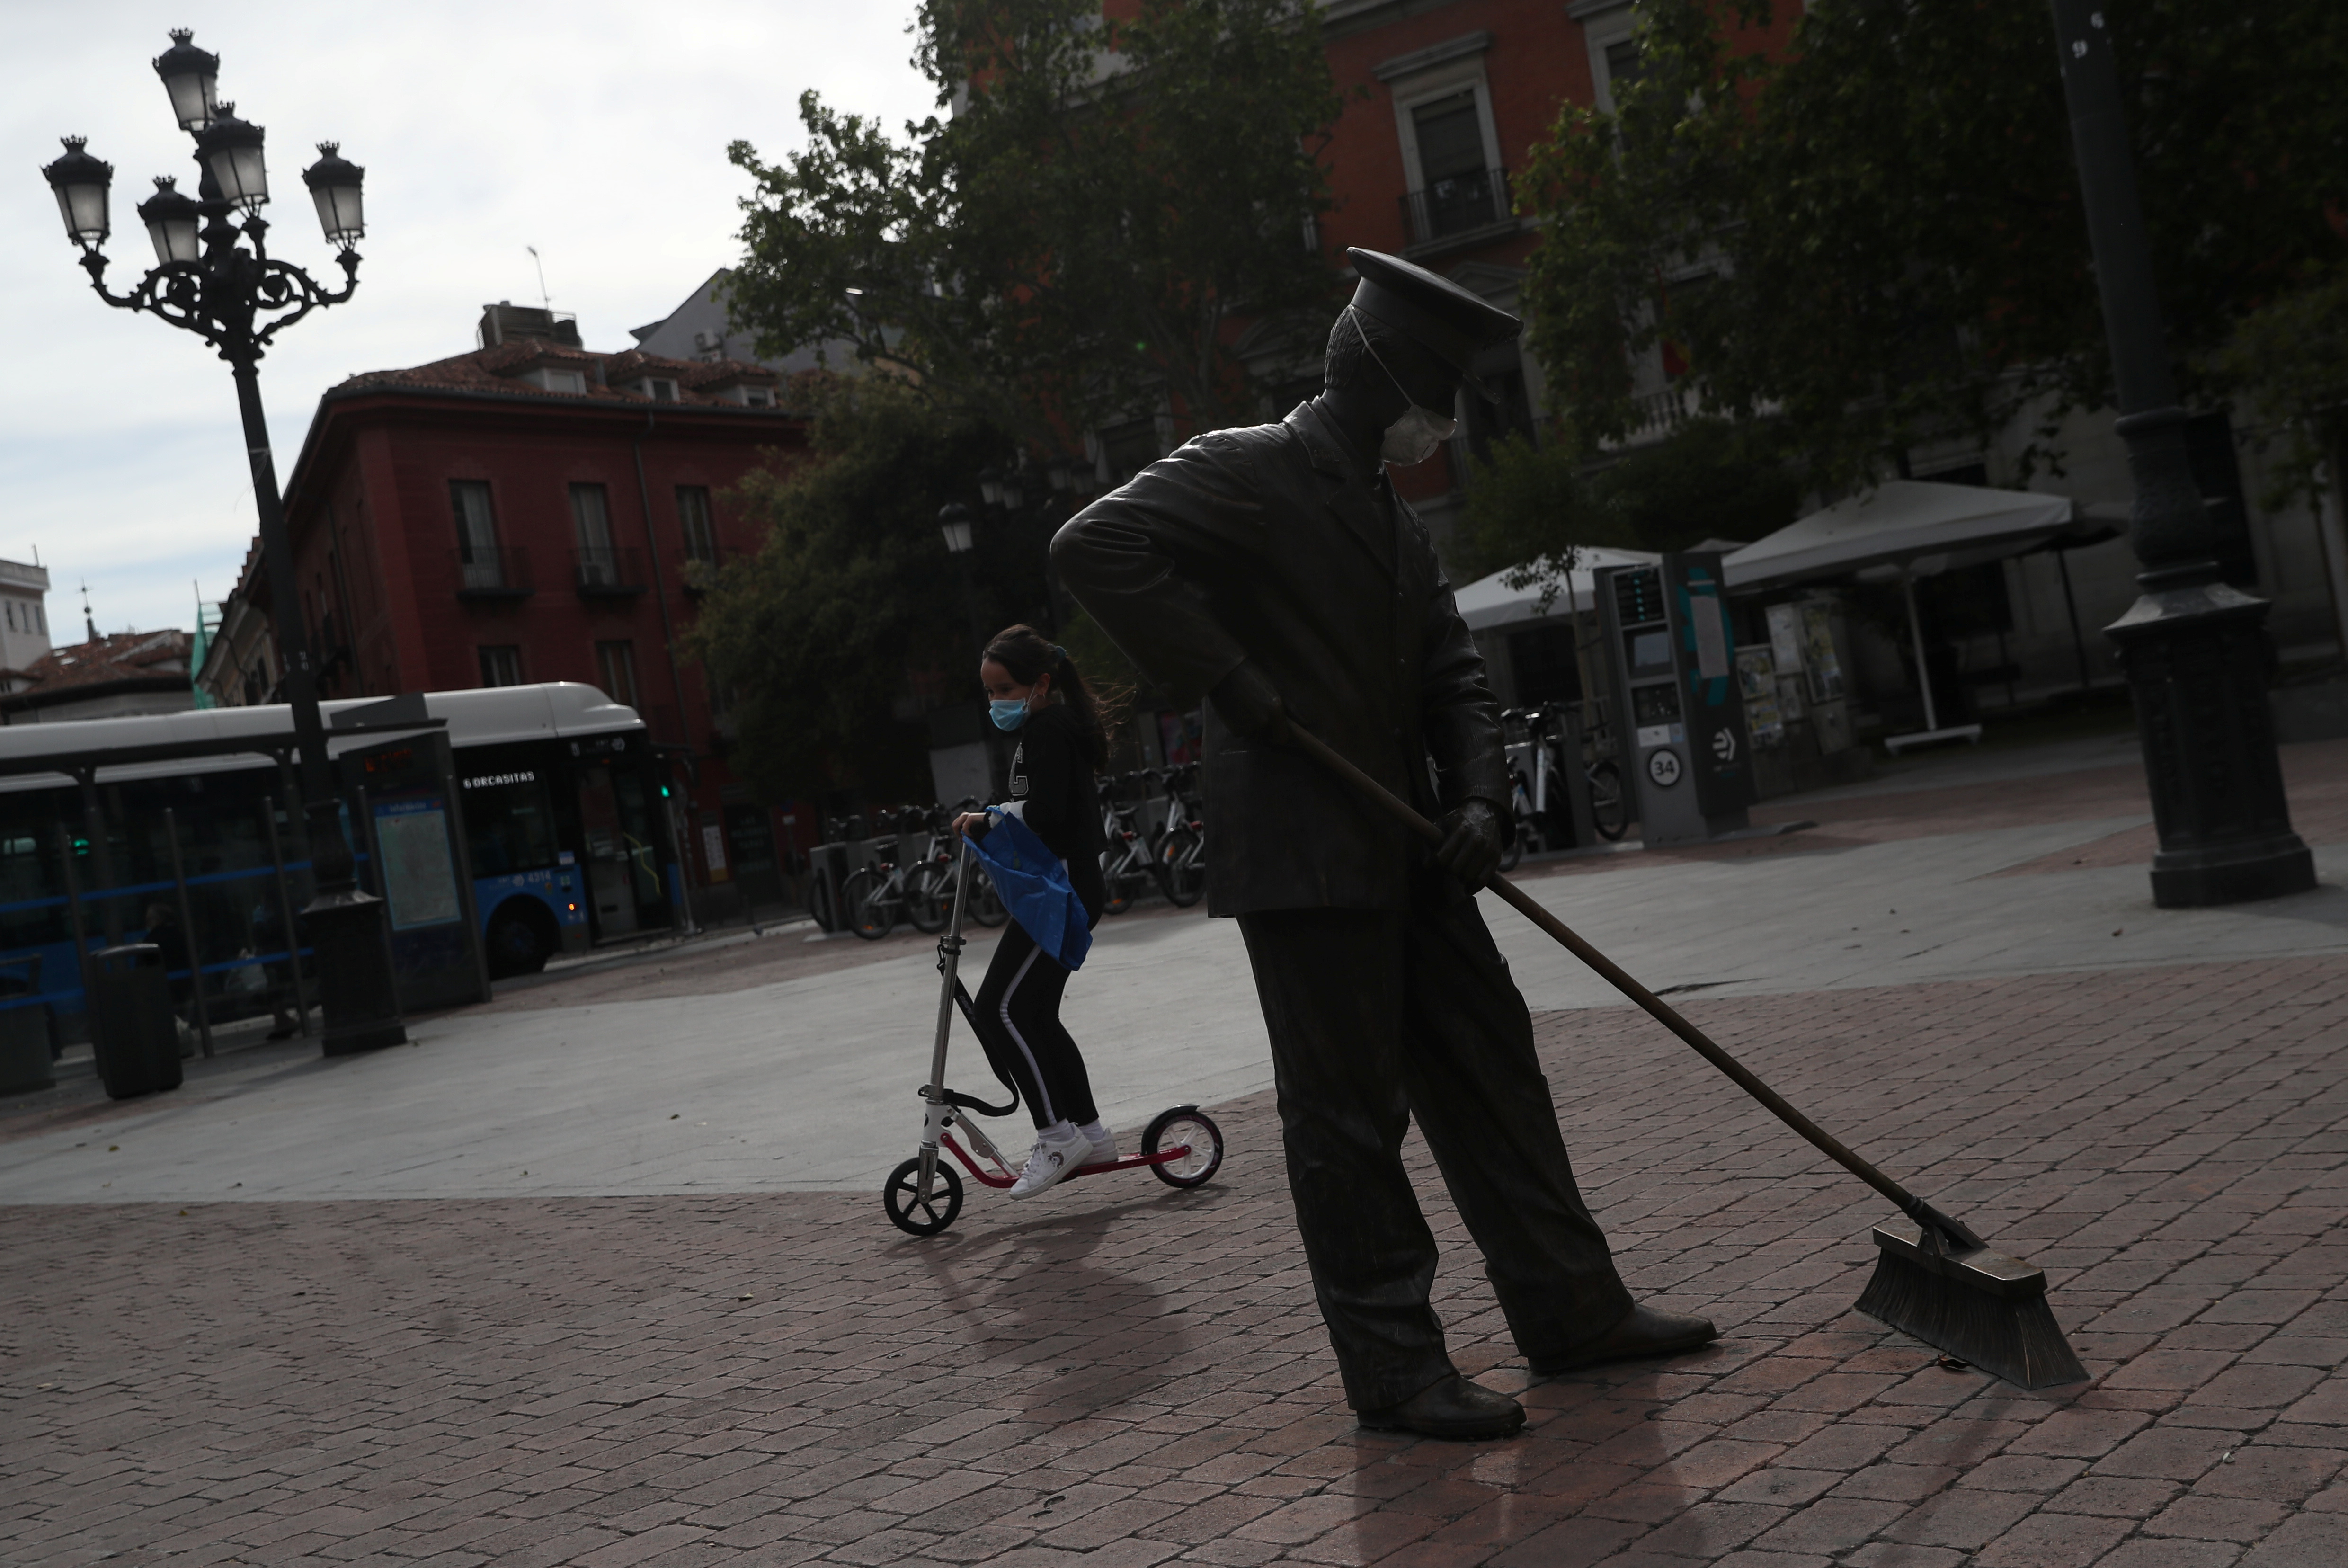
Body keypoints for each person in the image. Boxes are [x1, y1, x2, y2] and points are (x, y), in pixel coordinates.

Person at [1051, 249, 1717, 1441]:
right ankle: (1393, 1365)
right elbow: (1091, 546)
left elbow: (1455, 676)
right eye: (1437, 394)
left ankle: (1570, 1309)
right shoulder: (1247, 471)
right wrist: (1234, 682)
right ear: (1382, 370)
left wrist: (1478, 801)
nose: (1442, 421)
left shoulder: (1396, 526)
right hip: (1305, 857)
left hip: (1416, 847)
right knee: (1346, 1117)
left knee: (1493, 1070)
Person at [952, 624, 1116, 1198]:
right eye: (989, 692)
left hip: (1063, 888)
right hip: (1064, 886)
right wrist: (995, 814)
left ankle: (1056, 1136)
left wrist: (990, 817)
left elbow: (1045, 812)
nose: (995, 702)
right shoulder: (1042, 727)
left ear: (1040, 684)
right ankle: (1090, 1133)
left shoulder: (1048, 730)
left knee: (1000, 1008)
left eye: (1003, 690)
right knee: (1036, 1014)